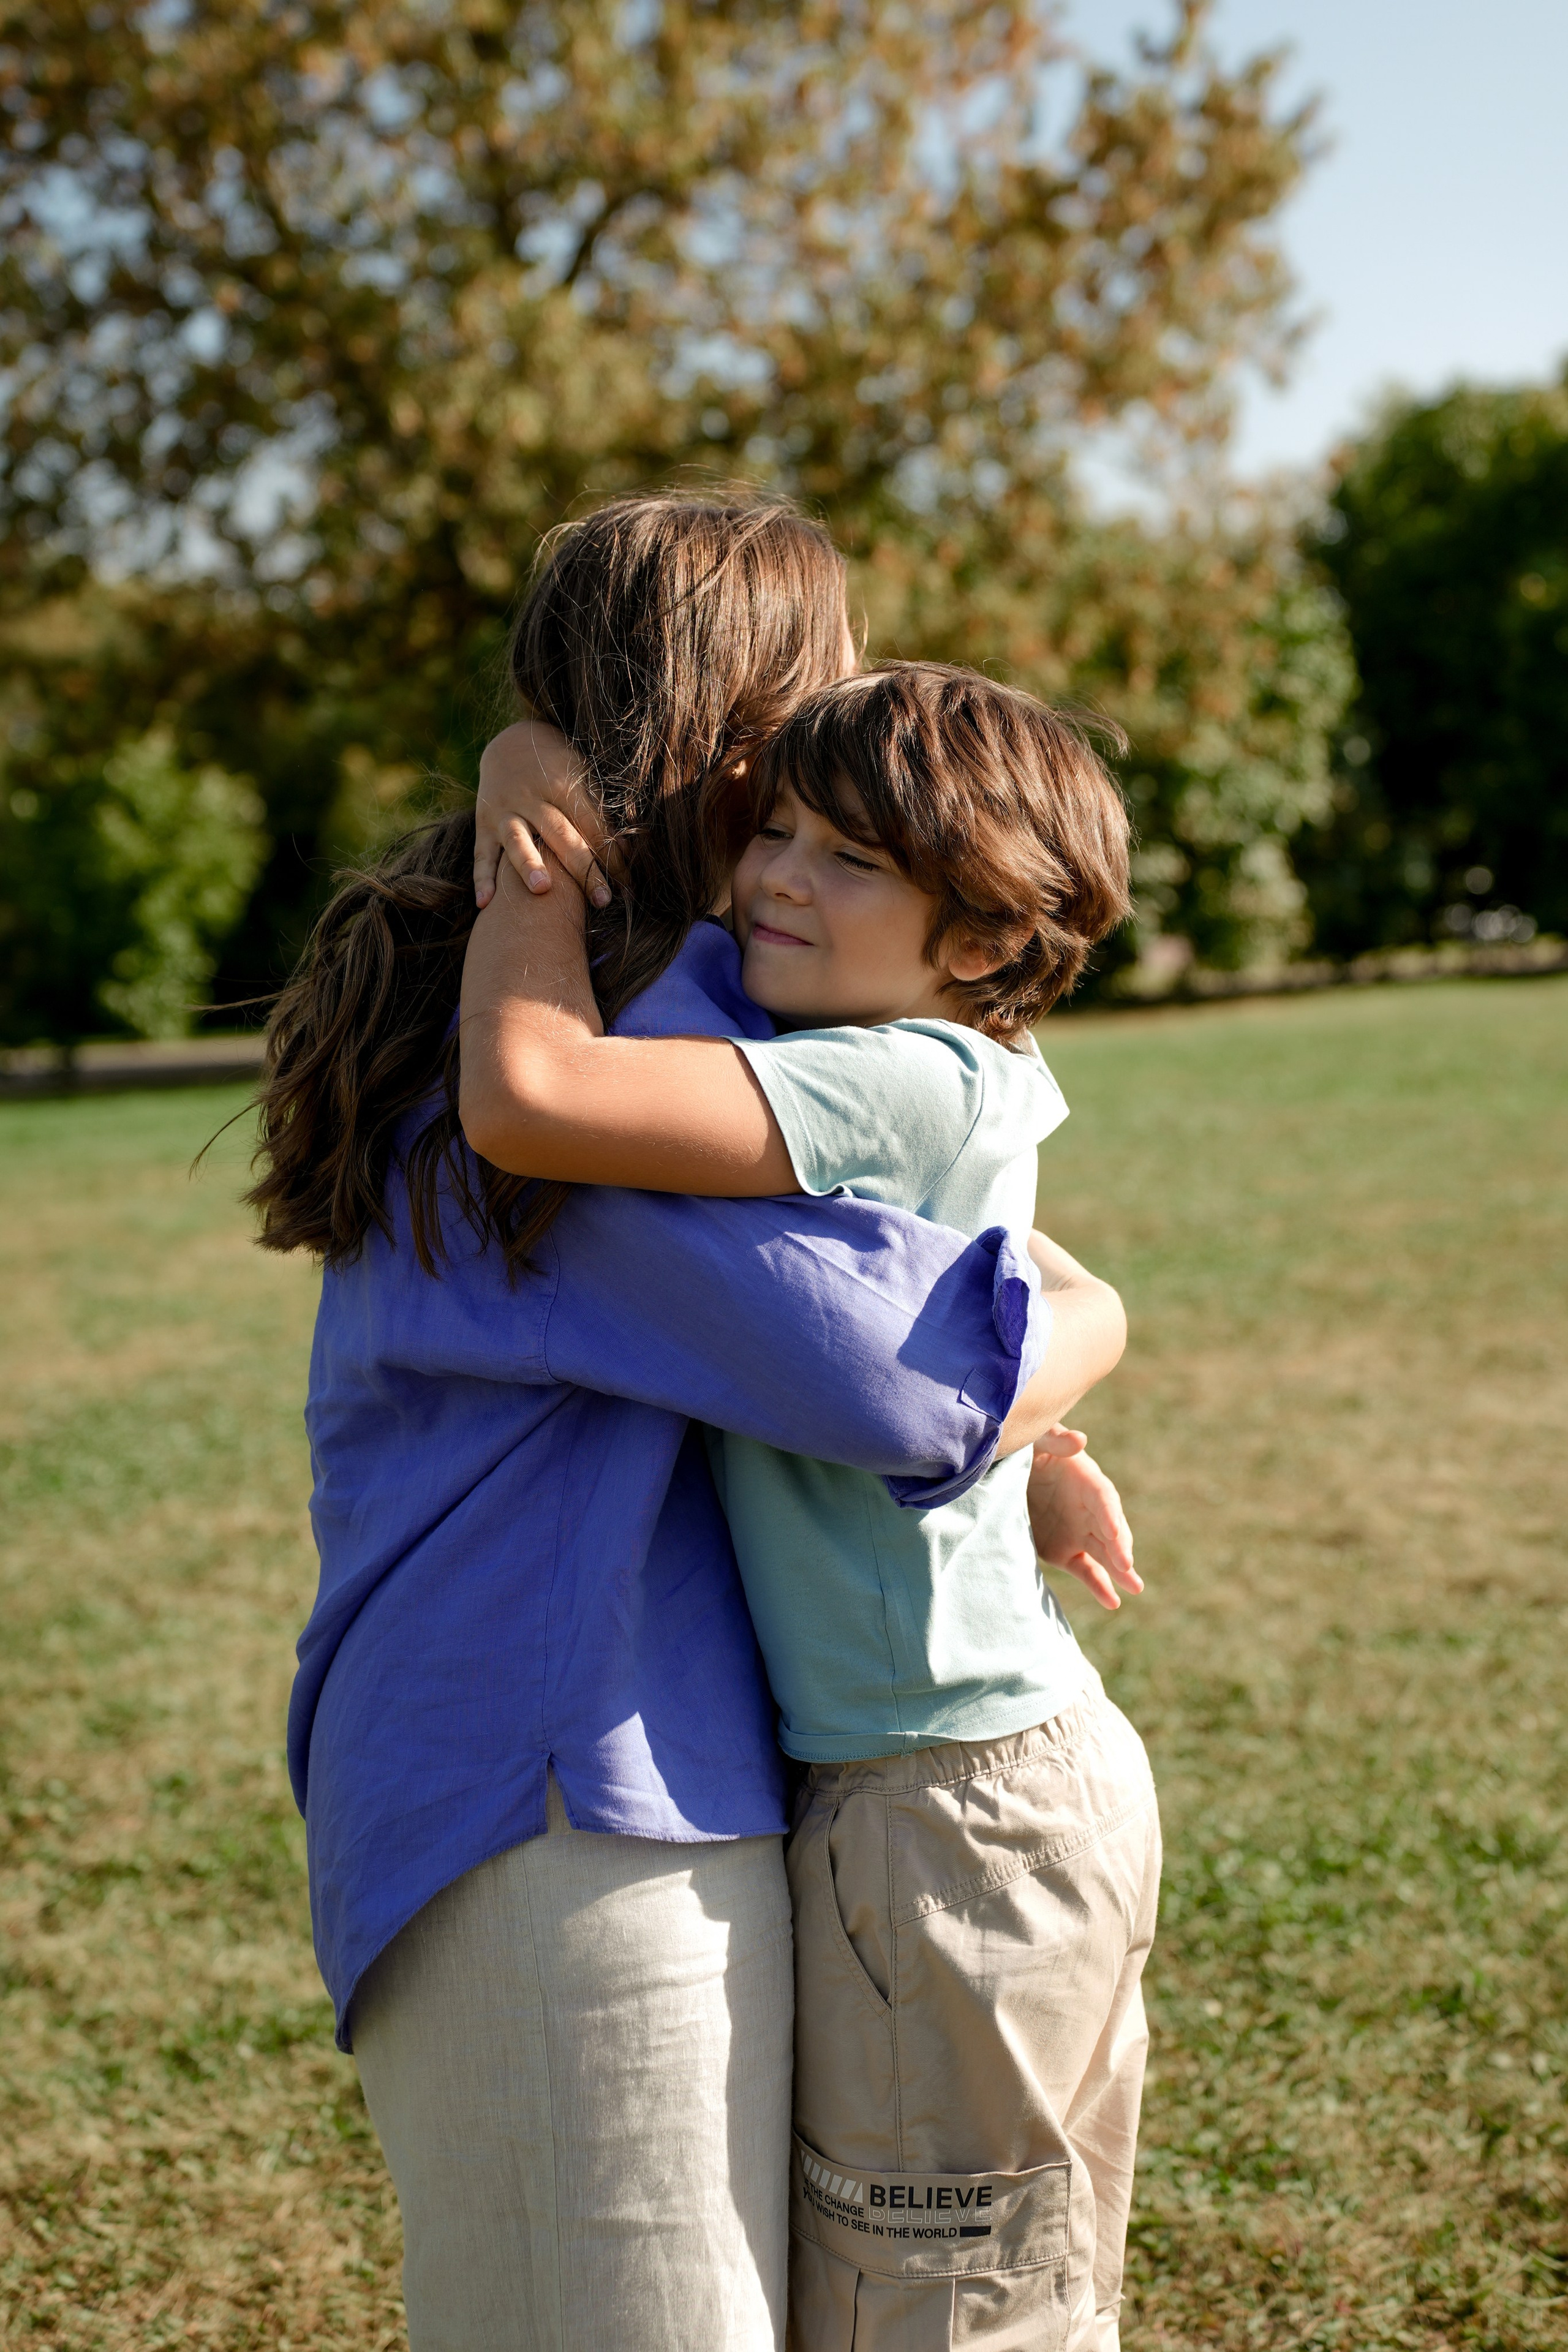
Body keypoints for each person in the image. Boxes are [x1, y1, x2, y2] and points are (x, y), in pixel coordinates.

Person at [251, 494, 1128, 2352]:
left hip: (632, 1772)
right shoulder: (578, 1042)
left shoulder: (623, 988)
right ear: (736, 736)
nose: (848, 749)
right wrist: (1093, 1323)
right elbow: (906, 1381)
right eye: (816, 709)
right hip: (561, 1795)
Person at [461, 662, 1158, 2352]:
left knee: (945, 2304)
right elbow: (978, 1285)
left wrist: (523, 841)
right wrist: (1048, 1444)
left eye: (850, 860)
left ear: (986, 938)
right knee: (983, 2271)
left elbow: (531, 1100)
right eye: (773, 826)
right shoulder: (898, 1062)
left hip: (949, 1810)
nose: (774, 875)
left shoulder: (897, 1075)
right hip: (953, 1789)